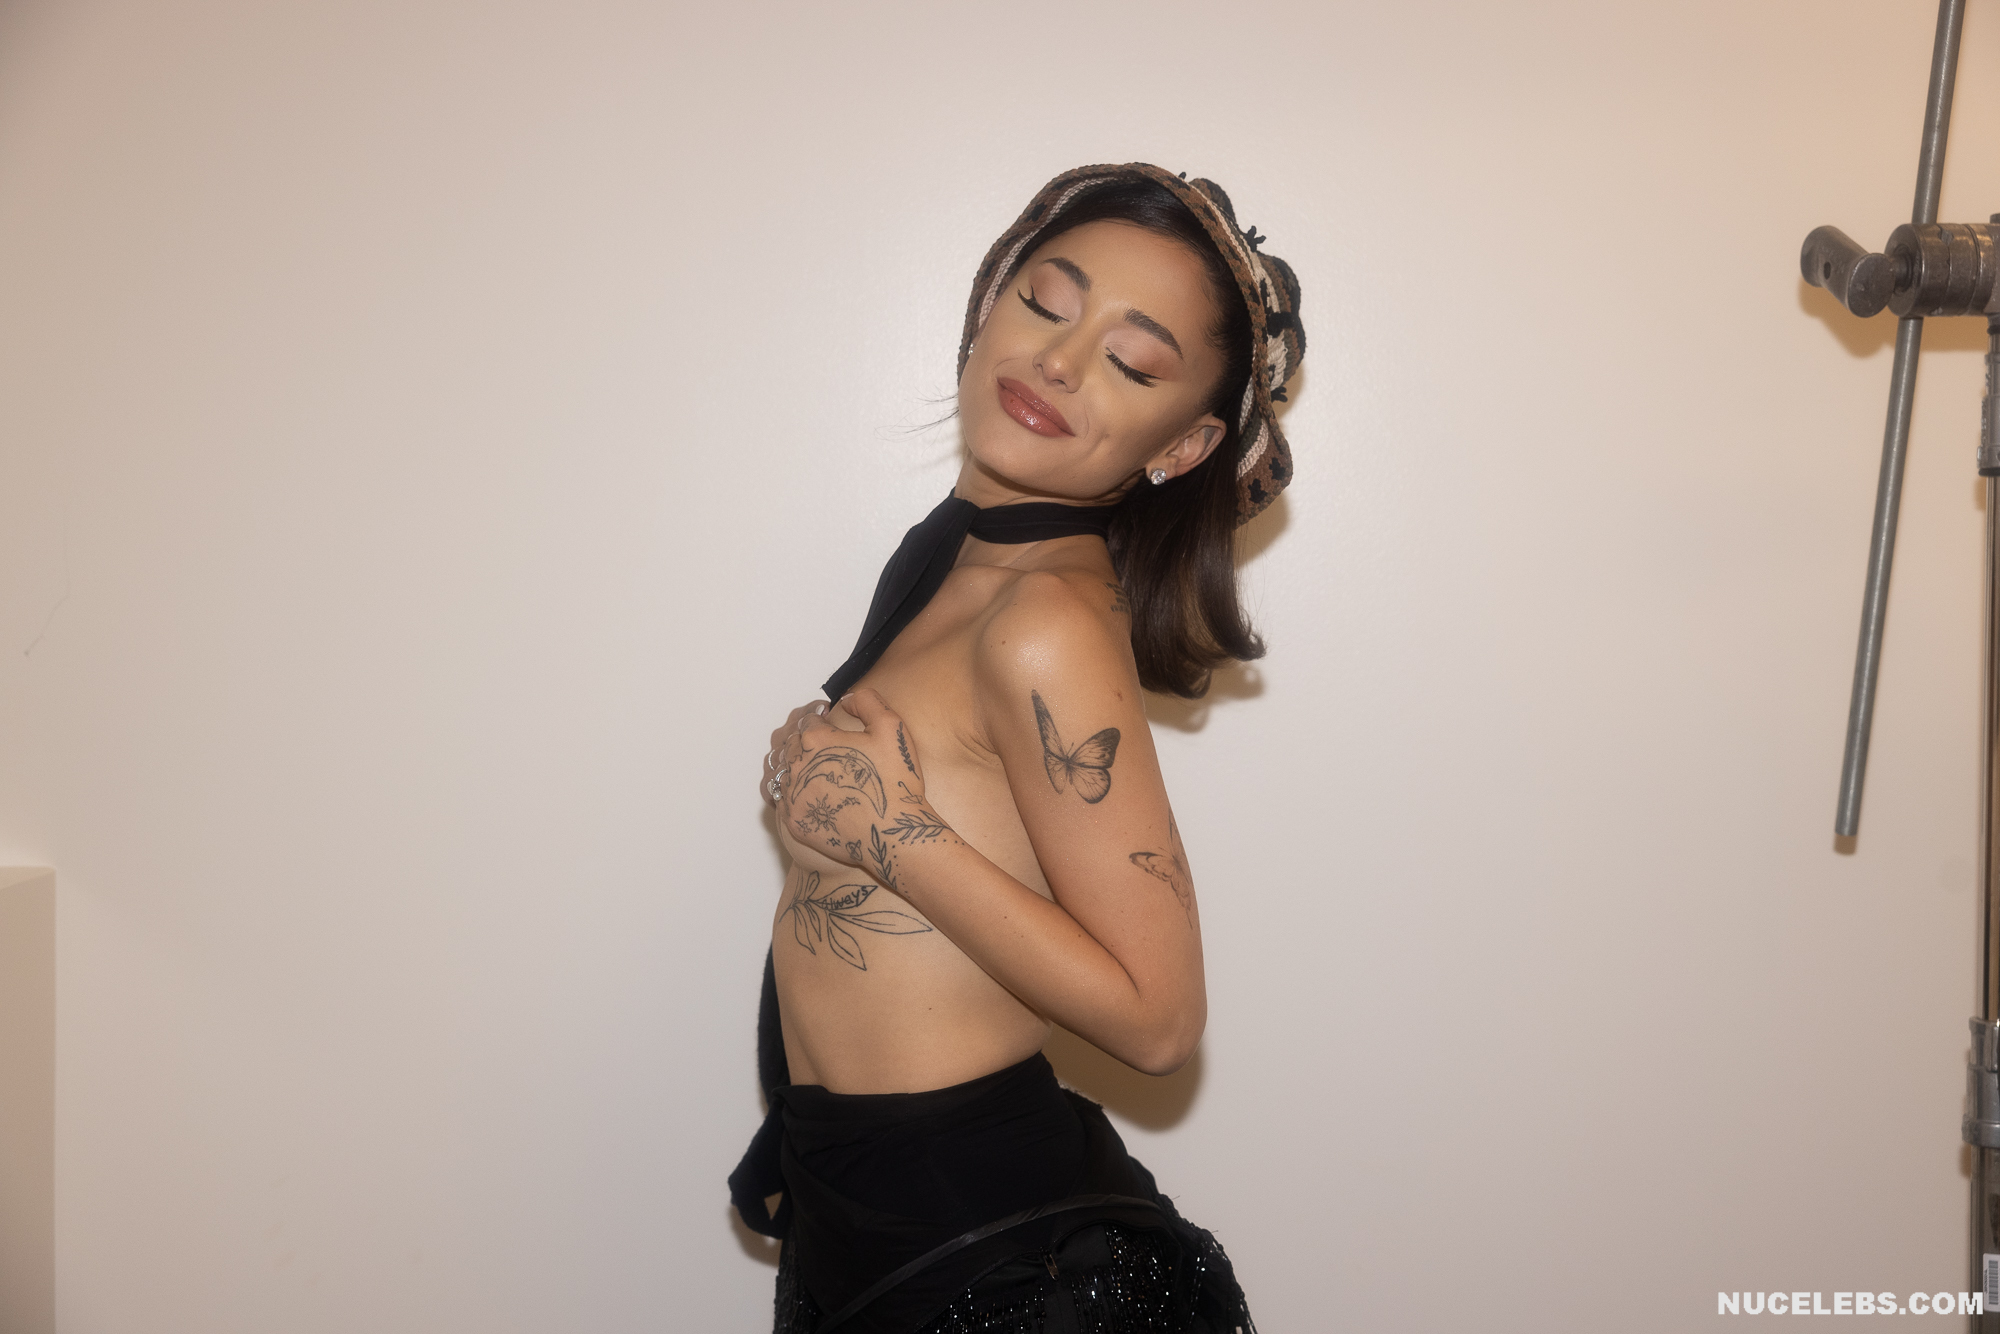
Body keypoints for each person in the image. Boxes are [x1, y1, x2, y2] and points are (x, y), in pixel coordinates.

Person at [731, 162, 1304, 1334]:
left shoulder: (1044, 618)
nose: (1057, 359)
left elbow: (1158, 1019)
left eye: (1130, 361)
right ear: (991, 297)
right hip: (867, 1227)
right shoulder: (951, 557)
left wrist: (889, 832)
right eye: (1046, 301)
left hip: (1000, 1273)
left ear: (1183, 444)